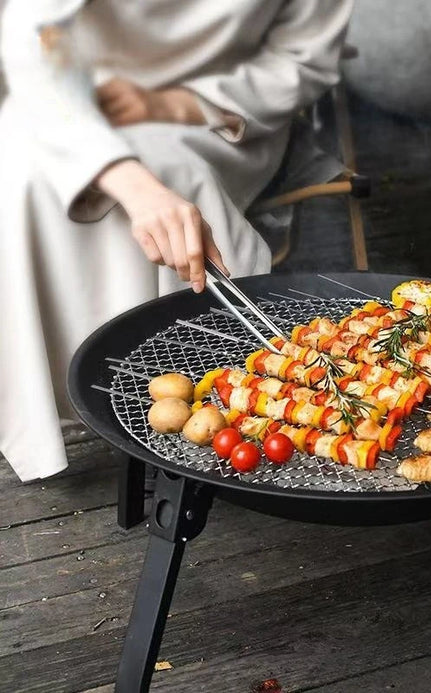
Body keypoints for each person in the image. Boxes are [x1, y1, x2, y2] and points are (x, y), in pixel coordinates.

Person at [0, 0, 353, 482]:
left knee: (172, 173)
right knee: (20, 175)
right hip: (73, 85)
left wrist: (170, 103)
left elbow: (303, 60)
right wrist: (132, 184)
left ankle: (151, 399)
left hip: (216, 112)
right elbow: (32, 36)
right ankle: (78, 394)